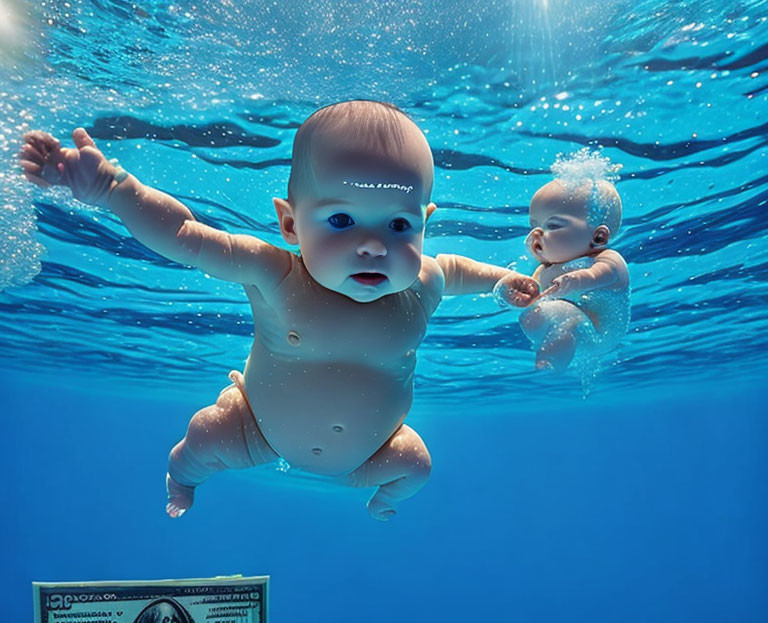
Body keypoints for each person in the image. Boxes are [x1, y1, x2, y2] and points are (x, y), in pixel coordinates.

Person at [19, 100, 538, 521]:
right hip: (256, 432)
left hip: (367, 457)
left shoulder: (425, 280)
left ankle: (380, 501)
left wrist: (503, 283)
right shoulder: (276, 274)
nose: (373, 246)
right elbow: (184, 236)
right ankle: (181, 478)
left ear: (423, 223)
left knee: (417, 468)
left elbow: (462, 269)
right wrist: (112, 189)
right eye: (340, 220)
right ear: (290, 226)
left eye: (399, 226)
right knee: (203, 437)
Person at [494, 149, 630, 373]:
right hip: (561, 326)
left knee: (567, 319)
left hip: (600, 333)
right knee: (531, 316)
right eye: (533, 227)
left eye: (553, 225)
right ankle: (553, 354)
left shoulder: (607, 259)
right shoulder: (543, 270)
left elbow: (600, 276)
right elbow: (530, 292)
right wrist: (509, 293)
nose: (536, 235)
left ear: (598, 237)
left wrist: (576, 279)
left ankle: (551, 364)